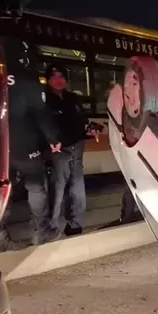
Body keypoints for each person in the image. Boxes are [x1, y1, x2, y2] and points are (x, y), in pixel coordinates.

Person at [0, 68, 59, 253]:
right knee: (35, 186)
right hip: (25, 145)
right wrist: (53, 139)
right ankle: (39, 231)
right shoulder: (27, 80)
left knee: (2, 190)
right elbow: (41, 115)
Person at [44, 64, 99, 237]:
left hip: (77, 147)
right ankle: (51, 226)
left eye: (61, 77)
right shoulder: (44, 99)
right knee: (58, 187)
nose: (58, 80)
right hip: (58, 150)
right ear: (48, 80)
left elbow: (82, 120)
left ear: (67, 81)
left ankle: (75, 224)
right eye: (54, 77)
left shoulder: (73, 98)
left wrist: (90, 129)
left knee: (77, 187)